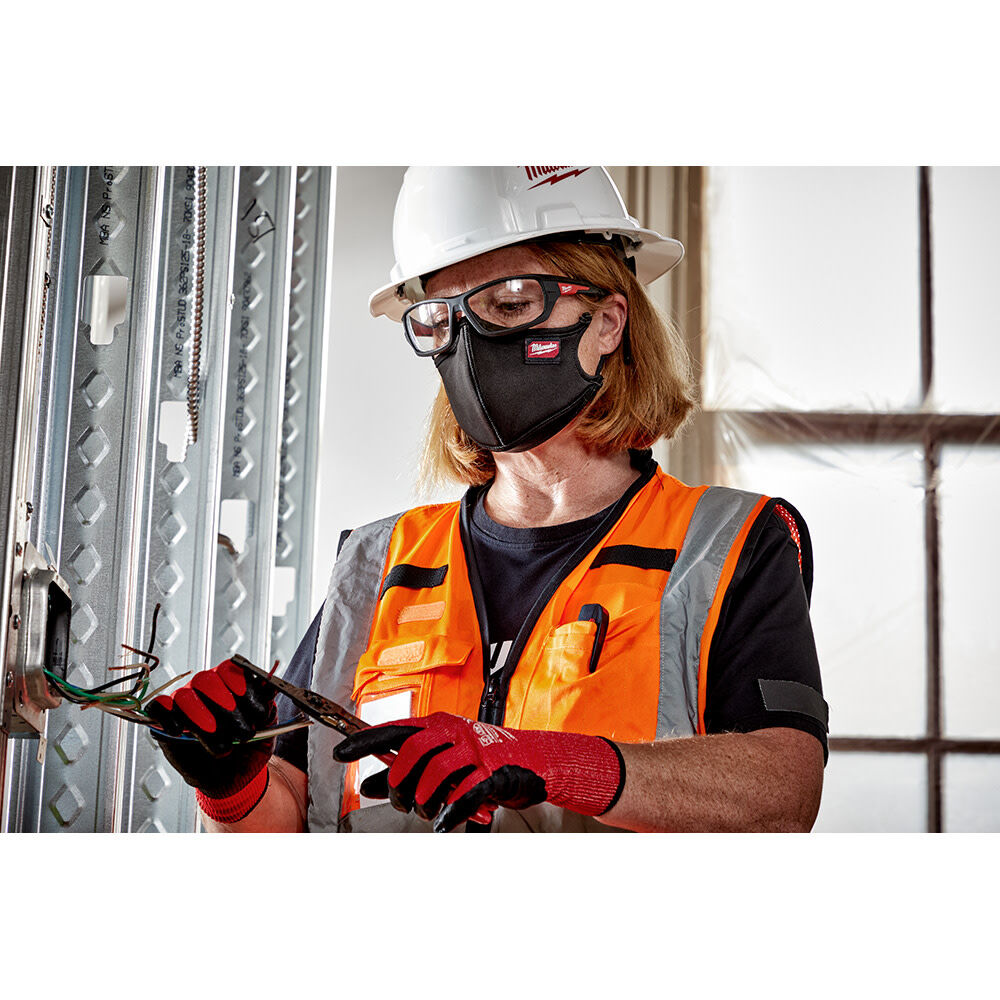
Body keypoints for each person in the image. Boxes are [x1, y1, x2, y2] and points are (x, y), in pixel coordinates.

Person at [148, 166, 828, 833]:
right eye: (440, 318)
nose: (473, 345)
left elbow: (783, 794)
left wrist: (553, 764)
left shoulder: (729, 543)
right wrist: (234, 789)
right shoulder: (377, 562)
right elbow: (294, 809)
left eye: (511, 304)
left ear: (607, 322)